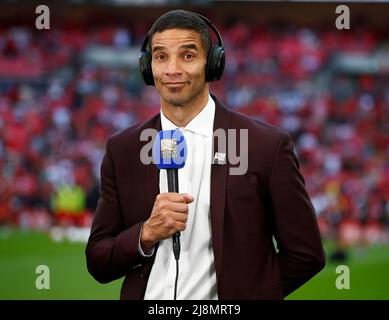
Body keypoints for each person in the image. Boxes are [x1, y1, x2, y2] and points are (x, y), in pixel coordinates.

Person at [86, 9, 325, 300]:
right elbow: (98, 260)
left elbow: (306, 254)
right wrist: (146, 233)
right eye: (161, 57)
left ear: (213, 63)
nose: (172, 69)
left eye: (187, 55)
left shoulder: (265, 146)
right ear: (148, 67)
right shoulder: (123, 149)